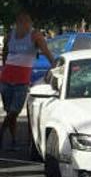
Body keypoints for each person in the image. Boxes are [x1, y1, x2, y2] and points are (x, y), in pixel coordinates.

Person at [0, 12, 54, 149]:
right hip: (5, 79)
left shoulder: (35, 35)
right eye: (19, 21)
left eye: (25, 21)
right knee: (10, 112)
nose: (22, 24)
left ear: (29, 23)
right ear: (16, 23)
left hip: (22, 80)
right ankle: (13, 141)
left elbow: (46, 52)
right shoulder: (10, 35)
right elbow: (5, 53)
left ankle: (1, 133)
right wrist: (5, 66)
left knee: (14, 111)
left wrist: (55, 65)